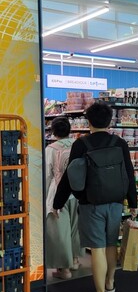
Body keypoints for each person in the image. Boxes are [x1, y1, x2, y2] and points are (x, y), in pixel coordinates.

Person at [53, 100, 137, 292]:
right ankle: (110, 283)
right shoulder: (120, 143)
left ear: (88, 121)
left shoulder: (81, 144)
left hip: (91, 204)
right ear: (110, 121)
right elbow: (129, 173)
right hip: (116, 203)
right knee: (111, 244)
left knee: (97, 248)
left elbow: (70, 177)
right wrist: (133, 202)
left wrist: (58, 202)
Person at [45, 117, 82, 279]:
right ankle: (75, 260)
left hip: (58, 193)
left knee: (59, 231)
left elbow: (48, 175)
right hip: (77, 192)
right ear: (69, 129)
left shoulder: (51, 149)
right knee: (75, 227)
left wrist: (45, 196)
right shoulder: (78, 145)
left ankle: (64, 269)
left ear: (53, 131)